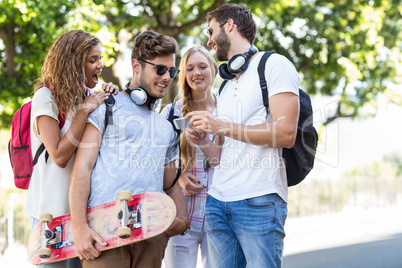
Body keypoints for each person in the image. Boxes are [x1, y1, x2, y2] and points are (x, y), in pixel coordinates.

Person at [186, 4, 300, 268]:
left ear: (229, 25)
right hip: (217, 203)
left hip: (258, 199)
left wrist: (222, 127)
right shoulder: (225, 86)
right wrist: (203, 141)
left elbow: (286, 133)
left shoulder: (274, 65)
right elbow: (221, 157)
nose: (209, 40)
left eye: (211, 30)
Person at [69, 30, 188, 268]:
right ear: (136, 65)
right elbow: (82, 167)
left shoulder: (166, 127)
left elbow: (171, 183)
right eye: (160, 69)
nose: (167, 77)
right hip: (104, 234)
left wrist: (183, 221)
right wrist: (79, 228)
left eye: (172, 71)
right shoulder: (107, 107)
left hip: (152, 237)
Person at [23, 29, 119, 268]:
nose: (100, 65)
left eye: (100, 58)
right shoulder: (46, 97)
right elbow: (59, 155)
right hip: (50, 214)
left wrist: (110, 98)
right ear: (74, 63)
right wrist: (85, 110)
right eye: (92, 60)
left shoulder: (88, 96)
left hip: (84, 216)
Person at [161, 46, 221, 268]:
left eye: (202, 66)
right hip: (181, 215)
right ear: (183, 75)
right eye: (190, 68)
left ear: (213, 69)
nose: (197, 73)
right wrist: (180, 177)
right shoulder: (172, 113)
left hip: (219, 216)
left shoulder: (226, 110)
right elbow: (159, 159)